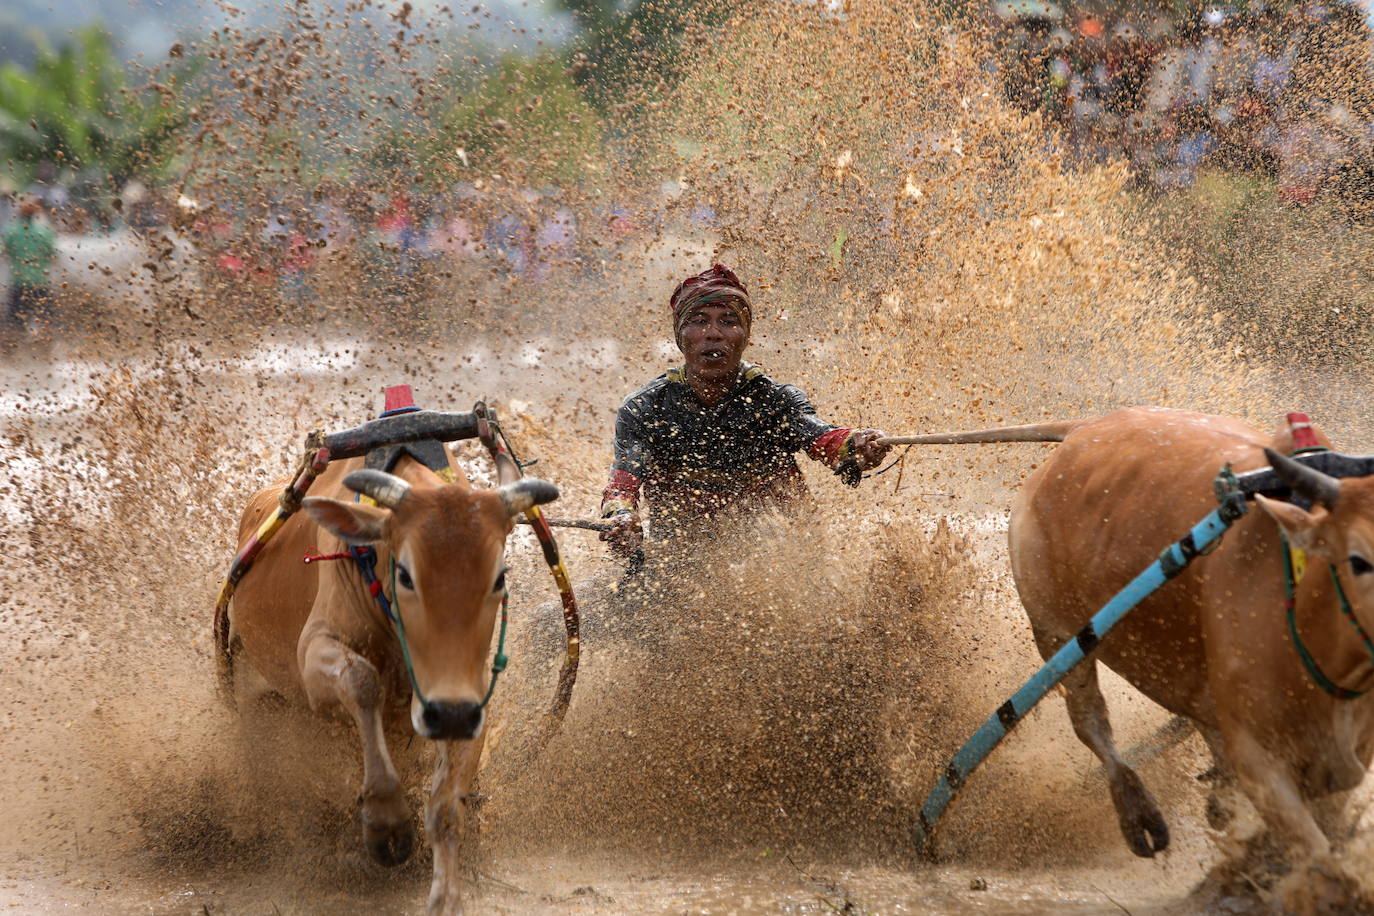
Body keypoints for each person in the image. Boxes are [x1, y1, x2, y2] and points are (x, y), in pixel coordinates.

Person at [598, 264, 891, 559]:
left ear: (745, 335)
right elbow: (623, 484)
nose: (713, 333)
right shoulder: (645, 409)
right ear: (680, 335)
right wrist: (620, 517)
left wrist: (856, 443)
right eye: (698, 321)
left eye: (728, 321)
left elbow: (824, 438)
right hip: (679, 562)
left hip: (783, 563)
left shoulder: (775, 401)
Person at [3, 196, 58, 341]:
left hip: (19, 283)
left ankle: (13, 357)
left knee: (14, 324)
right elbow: (52, 255)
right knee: (46, 322)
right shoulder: (45, 232)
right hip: (41, 283)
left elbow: (5, 253)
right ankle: (45, 355)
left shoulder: (11, 232)